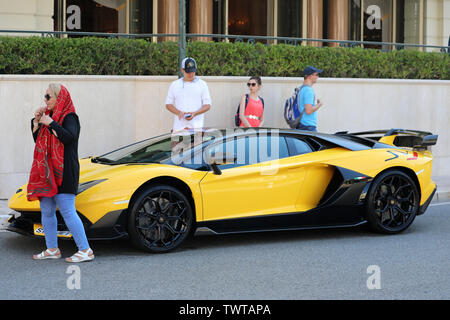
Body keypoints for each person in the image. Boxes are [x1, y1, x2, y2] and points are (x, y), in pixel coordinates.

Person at [28, 83, 94, 263]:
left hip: (65, 171)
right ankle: (52, 249)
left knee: (67, 210)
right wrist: (36, 121)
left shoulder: (70, 117)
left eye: (48, 96)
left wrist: (52, 123)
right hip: (48, 172)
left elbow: (69, 138)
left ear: (59, 98)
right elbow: (38, 141)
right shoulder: (48, 117)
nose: (45, 99)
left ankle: (85, 250)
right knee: (47, 210)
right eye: (45, 96)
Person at [165, 57, 212, 133]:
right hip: (178, 129)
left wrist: (195, 113)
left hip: (197, 129)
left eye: (193, 71)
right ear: (182, 70)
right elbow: (168, 104)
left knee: (197, 144)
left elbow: (207, 105)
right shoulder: (175, 85)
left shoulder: (202, 84)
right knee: (177, 145)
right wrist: (179, 113)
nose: (191, 74)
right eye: (188, 72)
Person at [297, 66, 324, 132]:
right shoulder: (308, 90)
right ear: (310, 76)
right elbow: (308, 111)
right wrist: (319, 105)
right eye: (317, 75)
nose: (318, 77)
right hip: (308, 126)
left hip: (300, 124)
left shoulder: (300, 89)